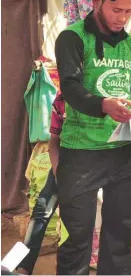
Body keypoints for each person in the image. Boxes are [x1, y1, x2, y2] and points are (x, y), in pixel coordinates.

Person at [54, 0, 131, 275]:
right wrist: (105, 105)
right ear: (96, 1)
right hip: (82, 153)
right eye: (116, 9)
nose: (122, 17)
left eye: (129, 11)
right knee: (76, 238)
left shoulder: (130, 44)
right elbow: (71, 89)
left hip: (126, 152)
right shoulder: (71, 37)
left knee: (122, 237)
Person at [16, 92, 64, 275]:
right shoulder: (61, 100)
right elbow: (54, 141)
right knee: (41, 211)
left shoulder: (100, 98)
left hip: (92, 167)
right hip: (63, 164)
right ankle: (23, 268)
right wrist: (58, 173)